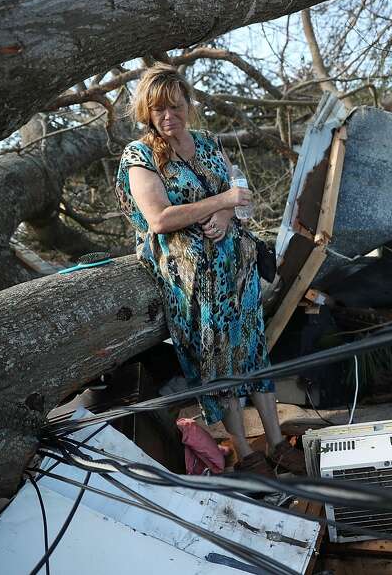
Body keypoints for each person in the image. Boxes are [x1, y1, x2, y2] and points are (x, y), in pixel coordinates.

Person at [114, 64, 305, 476]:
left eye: (176, 107)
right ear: (146, 112)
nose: (169, 117)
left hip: (236, 270)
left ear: (189, 104)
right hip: (193, 281)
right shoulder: (139, 154)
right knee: (219, 361)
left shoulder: (207, 142)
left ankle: (275, 444)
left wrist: (229, 214)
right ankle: (245, 452)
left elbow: (244, 200)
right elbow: (160, 219)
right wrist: (220, 203)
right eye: (159, 110)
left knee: (254, 353)